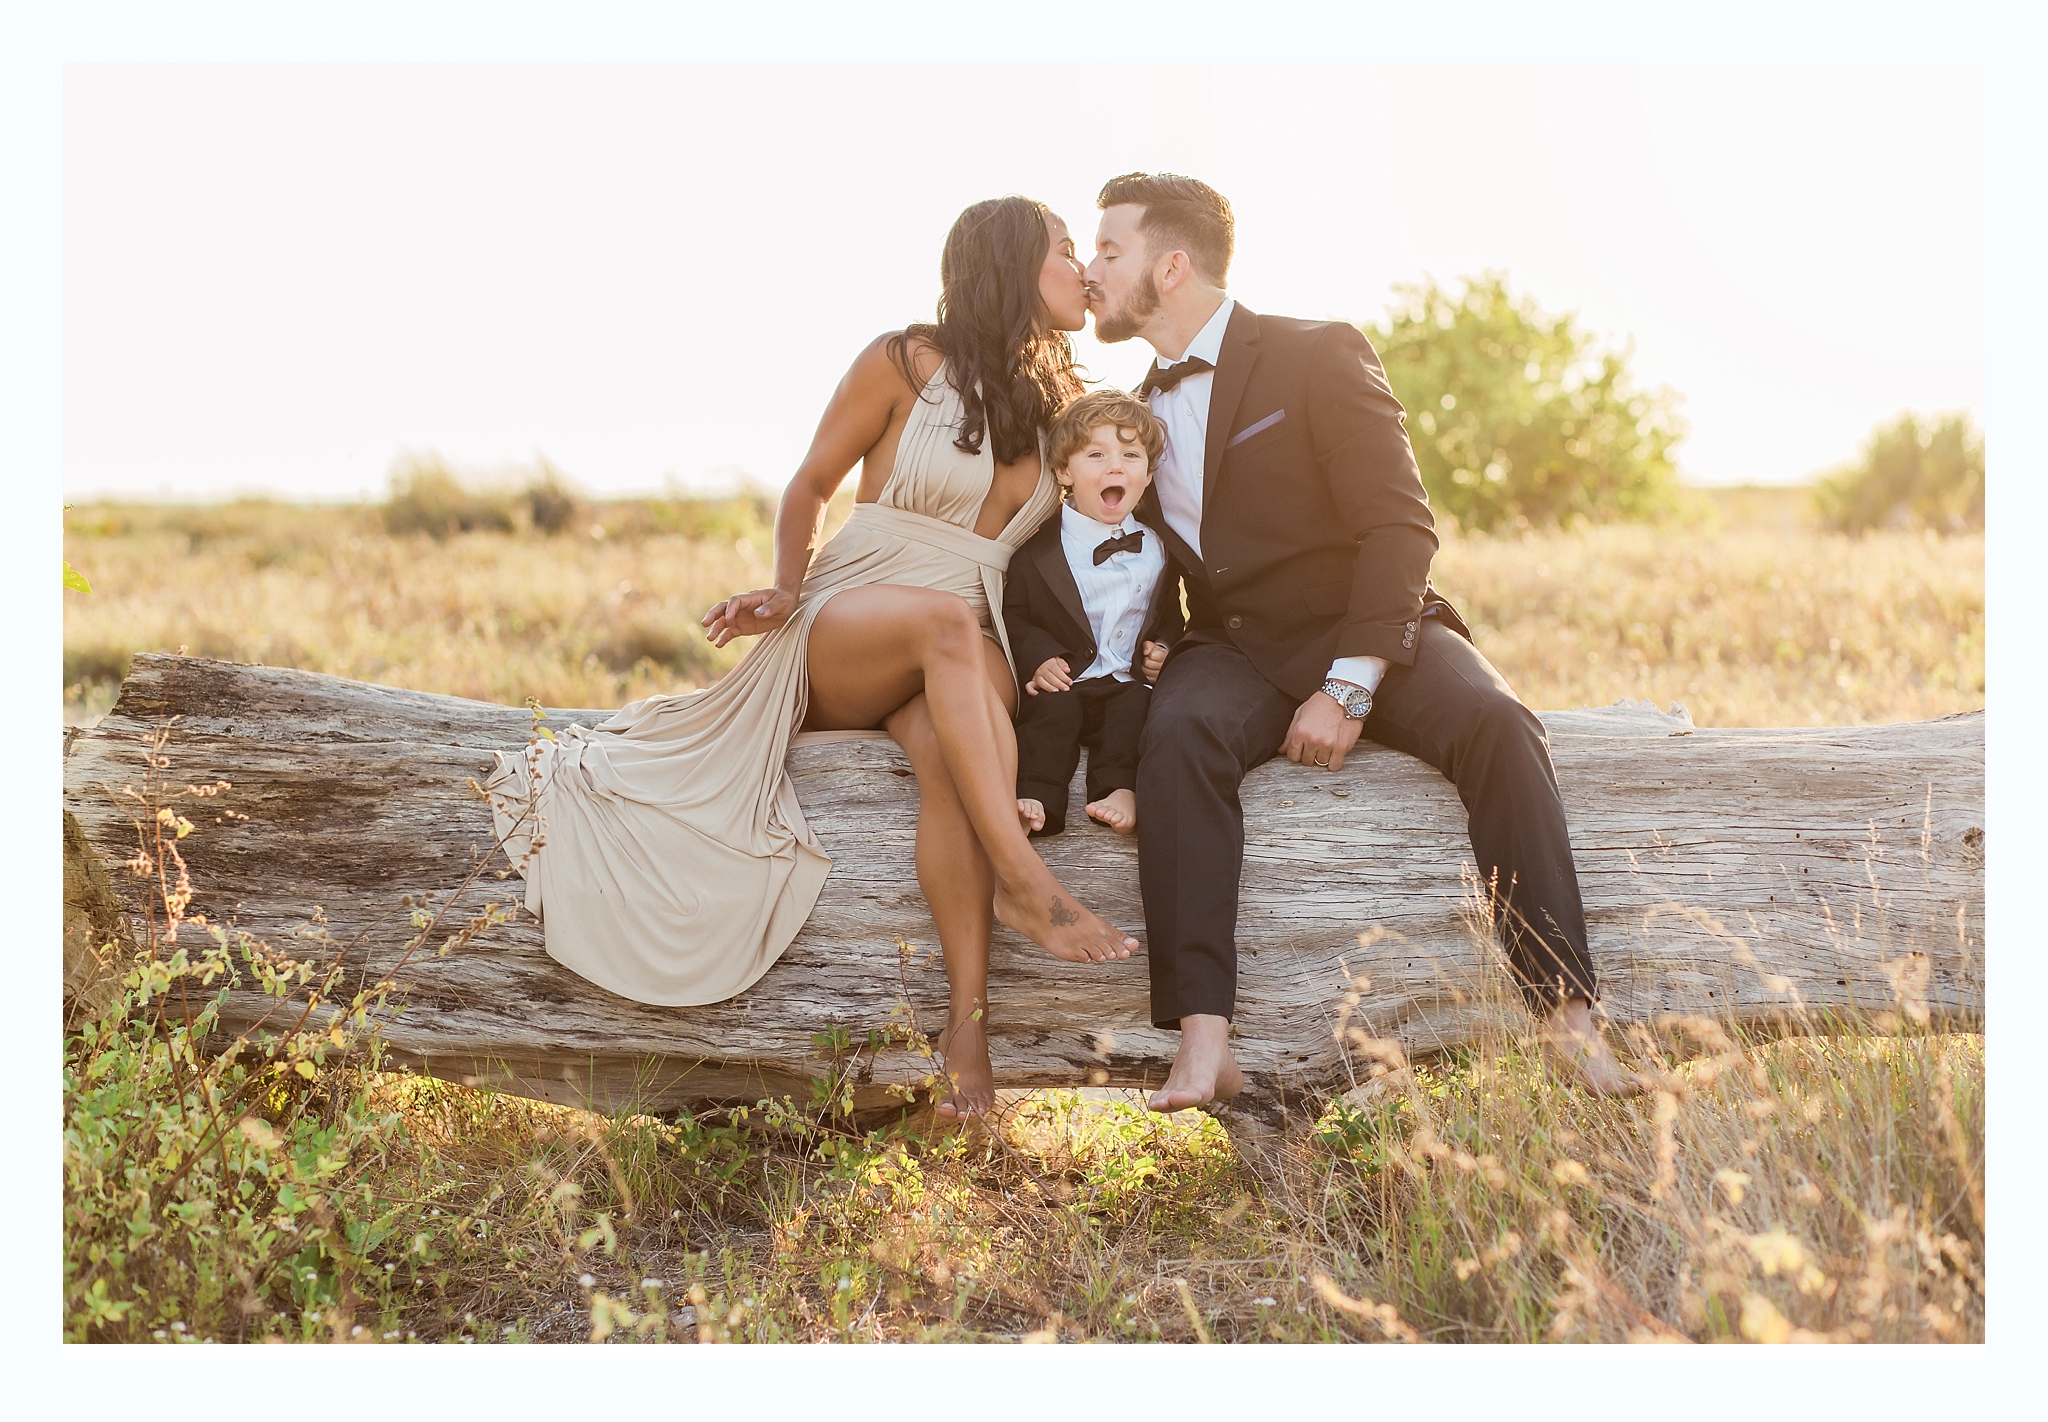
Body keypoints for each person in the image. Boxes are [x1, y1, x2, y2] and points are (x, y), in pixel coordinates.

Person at [485, 196, 1139, 1122]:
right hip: (856, 616)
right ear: (1010, 262)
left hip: (969, 629)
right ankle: (1027, 887)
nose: (1082, 268)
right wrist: (788, 586)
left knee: (963, 755)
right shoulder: (903, 362)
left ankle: (966, 1041)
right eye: (1068, 250)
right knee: (945, 632)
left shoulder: (1064, 405)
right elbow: (811, 482)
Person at [1080, 172, 1641, 1111]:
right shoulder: (1137, 407)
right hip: (1234, 648)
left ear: (1170, 265)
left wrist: (1348, 686)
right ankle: (1203, 1042)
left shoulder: (1315, 352)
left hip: (1370, 624)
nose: (1091, 270)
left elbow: (1401, 528)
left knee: (1502, 727)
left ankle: (1568, 1023)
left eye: (1108, 250)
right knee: (1178, 738)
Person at [1005, 390, 1184, 839]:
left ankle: (1120, 788)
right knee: (1050, 717)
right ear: (1065, 470)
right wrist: (1039, 657)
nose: (1115, 466)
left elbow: (1168, 616)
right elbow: (1015, 614)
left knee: (1135, 713)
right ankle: (1037, 794)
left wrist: (1164, 646)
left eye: (1130, 455)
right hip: (1063, 679)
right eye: (1097, 454)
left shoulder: (1160, 547)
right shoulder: (1038, 548)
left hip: (1123, 680)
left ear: (1147, 474)